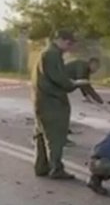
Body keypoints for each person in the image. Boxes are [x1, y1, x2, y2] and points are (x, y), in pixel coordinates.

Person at [31, 29, 88, 180]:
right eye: (69, 43)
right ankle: (56, 169)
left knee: (42, 134)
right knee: (55, 136)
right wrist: (75, 83)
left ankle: (41, 166)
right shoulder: (52, 54)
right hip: (52, 102)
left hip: (41, 100)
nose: (69, 48)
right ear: (60, 40)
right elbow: (59, 79)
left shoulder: (46, 53)